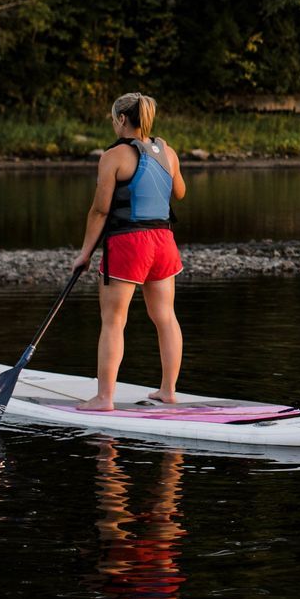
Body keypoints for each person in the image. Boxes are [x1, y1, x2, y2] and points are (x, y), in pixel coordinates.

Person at [71, 92, 187, 411]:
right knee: (165, 317)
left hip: (128, 243)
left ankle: (104, 398)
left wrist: (84, 254)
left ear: (122, 119)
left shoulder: (114, 156)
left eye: (113, 119)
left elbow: (99, 210)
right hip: (163, 242)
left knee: (113, 321)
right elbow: (179, 191)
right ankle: (168, 391)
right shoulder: (168, 151)